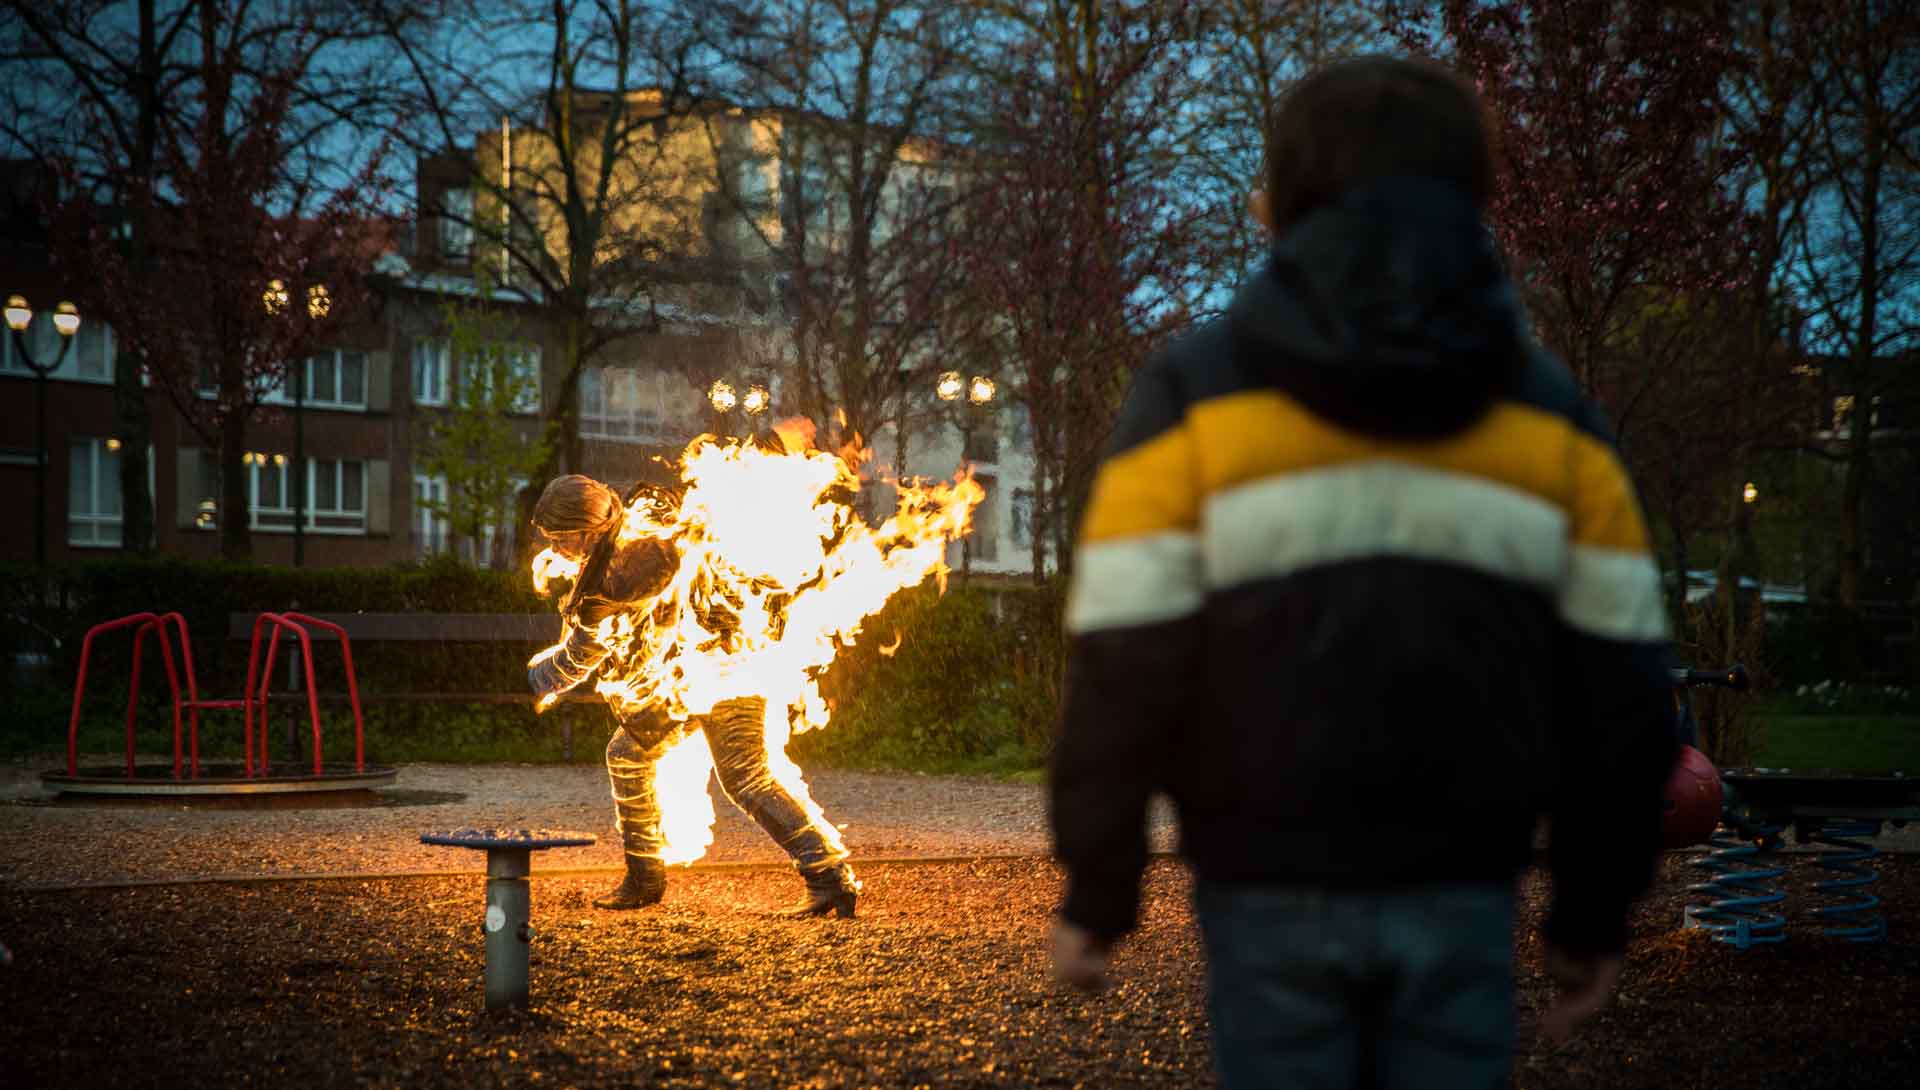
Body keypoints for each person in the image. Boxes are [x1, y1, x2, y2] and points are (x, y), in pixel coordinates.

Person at [1046, 57, 1677, 1088]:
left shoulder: (1189, 399)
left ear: (1273, 204)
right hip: (1464, 886)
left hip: (1266, 886)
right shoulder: (1552, 421)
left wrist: (1098, 891)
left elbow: (1124, 656)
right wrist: (1592, 908)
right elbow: (1623, 686)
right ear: (1475, 199)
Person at [527, 473, 859, 918]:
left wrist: (538, 677)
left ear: (587, 528)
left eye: (561, 537)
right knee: (627, 754)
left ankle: (829, 877)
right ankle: (645, 878)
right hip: (686, 677)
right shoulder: (641, 530)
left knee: (746, 777)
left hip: (726, 667)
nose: (555, 548)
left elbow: (579, 658)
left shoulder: (618, 575)